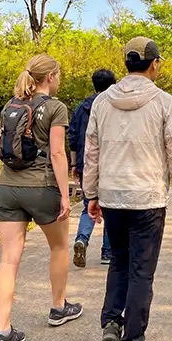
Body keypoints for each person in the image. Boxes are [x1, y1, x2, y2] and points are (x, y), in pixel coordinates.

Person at [84, 37, 172, 341]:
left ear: (126, 64)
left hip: (112, 195)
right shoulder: (164, 102)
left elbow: (92, 151)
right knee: (141, 270)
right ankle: (133, 338)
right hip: (148, 198)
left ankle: (111, 322)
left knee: (118, 261)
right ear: (154, 63)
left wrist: (91, 194)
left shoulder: (102, 102)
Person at [0, 54, 82, 341]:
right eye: (59, 75)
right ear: (51, 77)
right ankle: (58, 307)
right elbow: (57, 153)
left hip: (7, 187)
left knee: (8, 260)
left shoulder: (11, 105)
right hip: (42, 188)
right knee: (58, 246)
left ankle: (3, 331)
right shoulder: (56, 108)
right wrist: (66, 195)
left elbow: (1, 147)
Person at [70, 68, 116, 268]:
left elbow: (72, 136)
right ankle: (107, 251)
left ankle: (82, 239)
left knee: (88, 204)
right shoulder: (112, 106)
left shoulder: (82, 108)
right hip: (108, 163)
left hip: (84, 162)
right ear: (113, 84)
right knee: (110, 208)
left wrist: (74, 163)